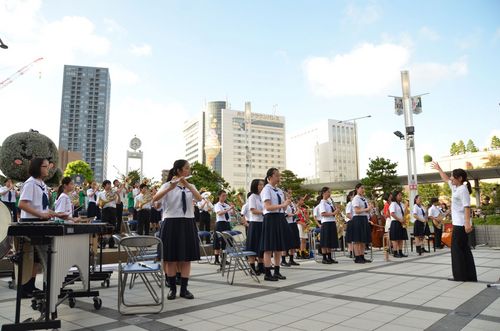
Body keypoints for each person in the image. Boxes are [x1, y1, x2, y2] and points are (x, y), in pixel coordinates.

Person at [153, 159, 202, 299]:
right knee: (171, 259)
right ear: (179, 170)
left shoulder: (190, 186)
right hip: (171, 223)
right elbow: (155, 200)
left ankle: (184, 289)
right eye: (187, 168)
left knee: (186, 258)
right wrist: (170, 188)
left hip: (188, 222)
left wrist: (187, 185)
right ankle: (172, 289)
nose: (189, 171)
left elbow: (199, 199)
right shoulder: (167, 185)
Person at [17, 158, 61, 297]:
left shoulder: (42, 184)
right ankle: (25, 288)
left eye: (48, 166)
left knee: (37, 258)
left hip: (39, 221)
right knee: (31, 257)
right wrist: (41, 215)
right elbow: (22, 204)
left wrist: (58, 214)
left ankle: (31, 286)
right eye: (45, 166)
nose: (48, 169)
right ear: (37, 168)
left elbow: (42, 207)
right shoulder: (30, 183)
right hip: (30, 222)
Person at [431, 162, 477, 282]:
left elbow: (467, 207)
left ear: (460, 178)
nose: (451, 178)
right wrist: (439, 169)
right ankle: (468, 276)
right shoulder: (456, 187)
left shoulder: (463, 190)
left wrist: (467, 223)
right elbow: (445, 179)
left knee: (457, 250)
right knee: (463, 249)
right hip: (458, 224)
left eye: (453, 176)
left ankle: (461, 276)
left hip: (461, 224)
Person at [260, 168, 291, 281]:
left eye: (279, 175)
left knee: (278, 247)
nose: (279, 178)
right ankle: (267, 273)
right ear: (270, 177)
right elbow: (268, 207)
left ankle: (277, 271)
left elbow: (283, 208)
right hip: (270, 218)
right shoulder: (266, 189)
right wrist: (283, 205)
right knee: (268, 248)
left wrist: (287, 202)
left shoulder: (279, 190)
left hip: (279, 218)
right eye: (277, 175)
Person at [246, 179, 265, 275]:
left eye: (262, 184)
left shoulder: (262, 196)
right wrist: (264, 212)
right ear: (255, 186)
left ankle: (261, 266)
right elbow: (253, 210)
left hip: (262, 223)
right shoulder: (252, 197)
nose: (262, 186)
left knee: (262, 245)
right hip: (255, 223)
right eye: (260, 185)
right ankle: (252, 267)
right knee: (253, 246)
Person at [350, 183, 372, 263]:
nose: (363, 190)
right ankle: (357, 257)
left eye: (363, 188)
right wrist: (366, 209)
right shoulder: (356, 198)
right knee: (357, 240)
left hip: (364, 218)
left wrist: (370, 208)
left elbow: (366, 210)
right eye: (361, 188)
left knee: (363, 239)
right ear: (357, 189)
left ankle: (362, 256)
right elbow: (356, 211)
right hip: (358, 219)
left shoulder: (364, 199)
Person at [318, 187, 339, 264]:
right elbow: (323, 213)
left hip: (331, 222)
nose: (330, 194)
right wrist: (333, 213)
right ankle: (324, 258)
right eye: (328, 192)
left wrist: (336, 209)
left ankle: (329, 257)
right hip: (326, 223)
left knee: (330, 241)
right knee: (325, 241)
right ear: (324, 193)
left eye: (330, 192)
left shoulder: (328, 202)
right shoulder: (322, 203)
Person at [213, 190, 234, 265]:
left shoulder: (226, 205)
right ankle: (216, 259)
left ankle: (224, 259)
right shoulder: (217, 205)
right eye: (223, 195)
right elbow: (219, 213)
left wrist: (232, 208)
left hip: (227, 223)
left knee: (226, 241)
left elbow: (232, 213)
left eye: (225, 195)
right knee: (218, 241)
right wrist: (229, 209)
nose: (225, 197)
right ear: (219, 196)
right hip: (220, 224)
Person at [282, 189, 300, 267]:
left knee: (293, 242)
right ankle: (283, 260)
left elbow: (295, 212)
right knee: (286, 242)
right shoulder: (283, 203)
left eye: (291, 193)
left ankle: (291, 259)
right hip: (287, 224)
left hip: (293, 223)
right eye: (288, 193)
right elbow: (284, 214)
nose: (290, 195)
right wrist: (294, 214)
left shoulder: (292, 203)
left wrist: (297, 211)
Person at [97, 180, 118, 248]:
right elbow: (97, 203)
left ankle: (111, 244)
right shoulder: (100, 193)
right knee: (104, 227)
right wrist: (102, 203)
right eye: (108, 184)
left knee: (113, 226)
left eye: (110, 184)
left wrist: (117, 194)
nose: (109, 185)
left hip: (113, 210)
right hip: (105, 210)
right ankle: (102, 244)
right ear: (104, 186)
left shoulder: (113, 193)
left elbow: (118, 202)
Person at [389, 190, 408, 258]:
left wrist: (406, 206)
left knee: (401, 238)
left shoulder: (402, 204)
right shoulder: (393, 204)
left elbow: (405, 213)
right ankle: (395, 252)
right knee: (395, 239)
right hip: (395, 222)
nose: (401, 196)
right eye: (399, 195)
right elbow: (392, 213)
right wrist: (399, 219)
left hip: (401, 222)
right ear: (395, 196)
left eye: (401, 195)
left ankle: (400, 252)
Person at [344, 190, 355, 258]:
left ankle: (354, 251)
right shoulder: (349, 204)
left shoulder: (354, 204)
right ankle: (351, 252)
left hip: (354, 221)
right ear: (350, 196)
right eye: (354, 195)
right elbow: (348, 214)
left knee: (354, 238)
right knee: (350, 238)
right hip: (351, 222)